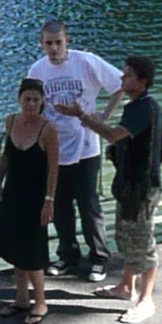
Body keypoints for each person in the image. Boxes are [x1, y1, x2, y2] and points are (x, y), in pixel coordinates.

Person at [29, 17, 122, 284]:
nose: (54, 49)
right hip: (54, 149)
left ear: (67, 41)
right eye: (49, 44)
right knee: (59, 206)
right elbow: (31, 103)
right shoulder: (37, 70)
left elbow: (119, 85)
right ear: (41, 44)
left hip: (85, 147)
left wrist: (104, 115)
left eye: (58, 43)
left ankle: (99, 258)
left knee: (88, 205)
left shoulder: (86, 62)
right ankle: (68, 255)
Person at [92, 57, 162, 324]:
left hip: (142, 189)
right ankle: (126, 286)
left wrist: (83, 118)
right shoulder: (137, 106)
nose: (122, 79)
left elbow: (113, 135)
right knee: (125, 236)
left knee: (143, 242)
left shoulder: (144, 108)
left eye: (128, 76)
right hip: (130, 185)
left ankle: (146, 300)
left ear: (142, 81)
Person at [0, 76, 60, 322]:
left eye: (36, 100)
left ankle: (41, 301)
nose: (31, 104)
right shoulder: (11, 121)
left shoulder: (48, 129)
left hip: (35, 196)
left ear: (42, 102)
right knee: (15, 246)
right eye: (27, 99)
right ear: (19, 99)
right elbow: (6, 155)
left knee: (33, 249)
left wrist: (49, 200)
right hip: (13, 192)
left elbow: (53, 168)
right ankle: (21, 298)